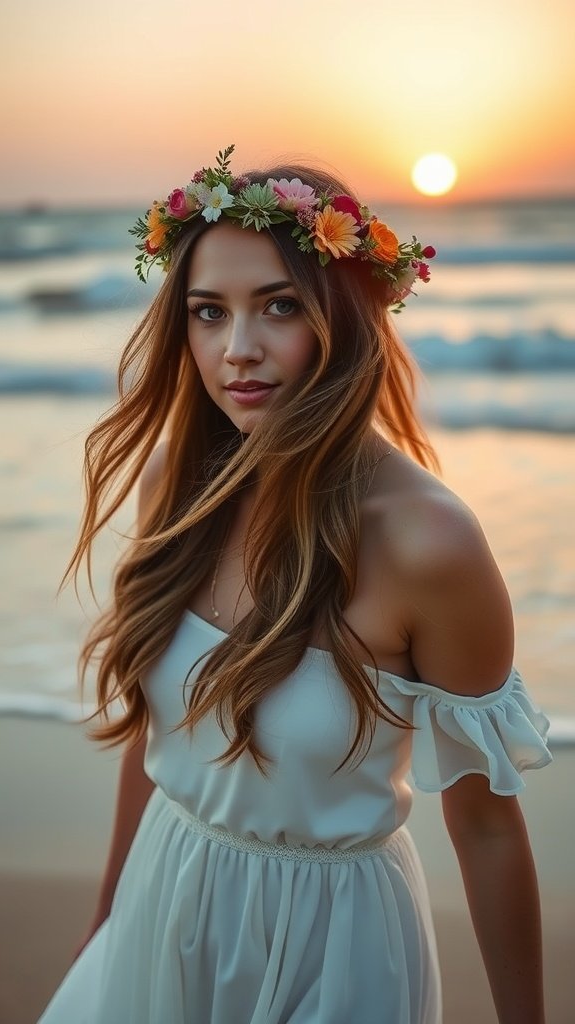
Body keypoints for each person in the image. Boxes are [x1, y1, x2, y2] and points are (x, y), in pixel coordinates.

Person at [38, 145, 551, 1024]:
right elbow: (162, 740)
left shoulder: (429, 543)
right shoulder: (179, 483)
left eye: (278, 306)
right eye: (209, 312)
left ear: (344, 318)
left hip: (333, 942)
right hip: (166, 893)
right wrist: (108, 914)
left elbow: (489, 827)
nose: (238, 350)